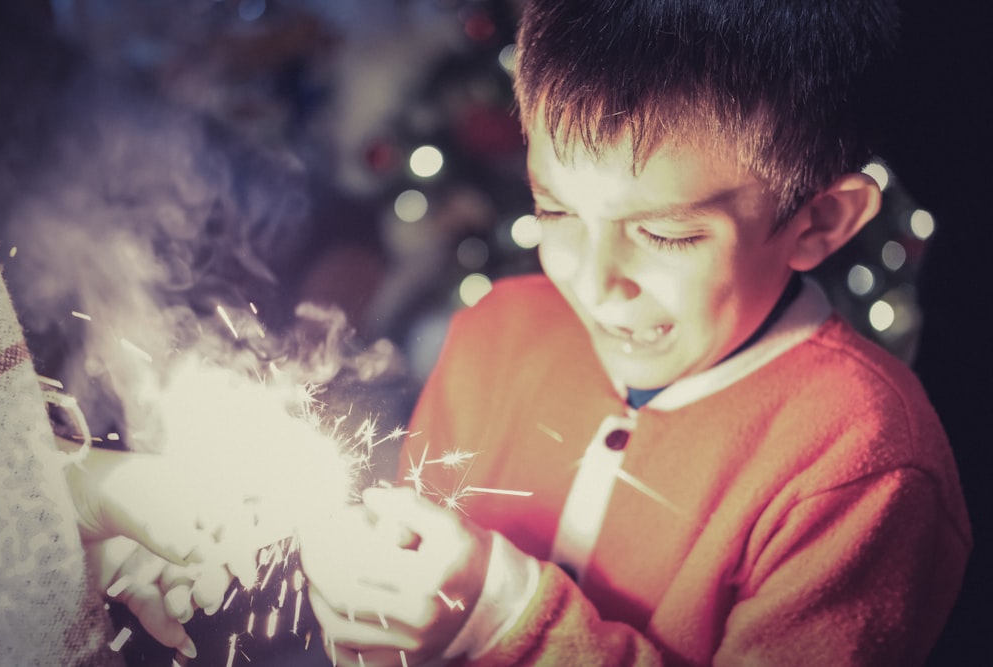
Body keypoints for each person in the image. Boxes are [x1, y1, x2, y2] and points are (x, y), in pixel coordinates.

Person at [298, 1, 972, 666]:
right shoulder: (494, 335)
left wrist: (504, 618)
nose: (593, 282)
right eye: (555, 211)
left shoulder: (861, 464)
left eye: (665, 235)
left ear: (819, 221)